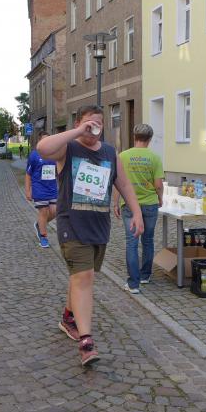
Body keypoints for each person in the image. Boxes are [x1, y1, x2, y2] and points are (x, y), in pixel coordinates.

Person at [37, 105, 144, 366]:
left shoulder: (109, 152)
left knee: (80, 277)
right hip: (72, 225)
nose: (94, 127)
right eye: (89, 122)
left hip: (99, 226)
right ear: (78, 123)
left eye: (98, 123)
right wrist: (77, 132)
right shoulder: (68, 148)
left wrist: (137, 212)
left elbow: (123, 183)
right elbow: (43, 148)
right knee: (84, 277)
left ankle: (68, 318)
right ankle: (86, 342)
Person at [112, 124, 164, 294]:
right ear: (150, 139)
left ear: (134, 137)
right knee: (148, 240)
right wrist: (160, 198)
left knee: (131, 243)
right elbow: (158, 184)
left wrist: (115, 202)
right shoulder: (155, 158)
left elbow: (117, 182)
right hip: (149, 204)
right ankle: (145, 275)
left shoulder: (123, 156)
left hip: (129, 205)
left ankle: (133, 284)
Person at [26, 130, 58, 248]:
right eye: (44, 140)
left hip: (52, 188)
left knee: (54, 211)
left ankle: (40, 224)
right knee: (43, 211)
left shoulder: (55, 154)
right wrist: (28, 190)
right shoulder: (34, 155)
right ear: (39, 142)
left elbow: (58, 171)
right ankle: (43, 237)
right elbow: (28, 174)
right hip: (39, 187)